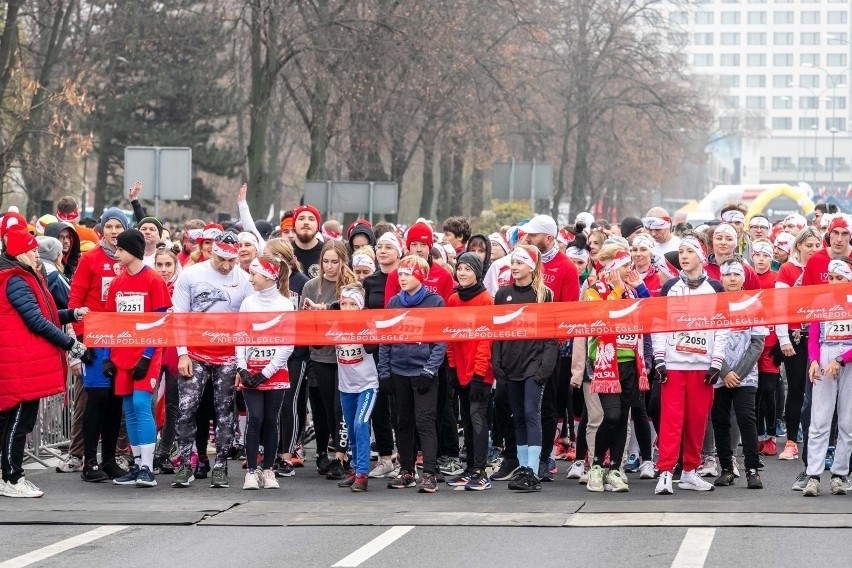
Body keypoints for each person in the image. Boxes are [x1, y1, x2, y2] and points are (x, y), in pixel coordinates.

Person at [0, 228, 87, 497]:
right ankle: (13, 478)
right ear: (21, 252)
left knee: (14, 421)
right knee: (19, 421)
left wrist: (72, 313)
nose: (37, 253)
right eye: (32, 249)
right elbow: (36, 321)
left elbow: (46, 314)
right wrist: (72, 344)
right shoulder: (16, 279)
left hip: (23, 362)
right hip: (20, 363)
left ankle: (9, 475)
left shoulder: (24, 276)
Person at [171, 230, 253, 488]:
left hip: (228, 355)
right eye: (222, 260)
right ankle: (186, 464)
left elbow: (249, 322)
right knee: (186, 409)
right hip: (195, 352)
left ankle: (220, 466)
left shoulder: (244, 279)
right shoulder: (191, 274)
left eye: (232, 260)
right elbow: (179, 316)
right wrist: (182, 353)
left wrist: (242, 362)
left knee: (224, 412)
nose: (227, 266)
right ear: (211, 252)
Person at [652, 232, 730, 495]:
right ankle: (664, 472)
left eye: (689, 252)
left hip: (702, 366)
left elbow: (722, 328)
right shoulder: (670, 287)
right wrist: (659, 359)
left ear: (700, 256)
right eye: (681, 253)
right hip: (674, 365)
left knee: (697, 421)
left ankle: (689, 472)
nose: (684, 257)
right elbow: (659, 323)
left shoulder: (716, 288)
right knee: (671, 421)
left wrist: (716, 362)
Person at [69, 207, 134, 482]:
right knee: (96, 399)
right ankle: (89, 462)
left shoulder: (130, 261)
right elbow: (75, 301)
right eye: (109, 227)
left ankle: (109, 459)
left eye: (119, 227)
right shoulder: (91, 259)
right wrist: (82, 340)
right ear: (102, 229)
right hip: (95, 339)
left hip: (122, 340)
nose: (114, 232)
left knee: (116, 401)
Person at [104, 230, 172, 488]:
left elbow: (162, 322)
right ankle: (136, 463)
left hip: (147, 355)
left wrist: (147, 355)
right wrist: (108, 356)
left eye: (120, 249)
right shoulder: (117, 283)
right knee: (129, 410)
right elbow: (110, 323)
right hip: (122, 356)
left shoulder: (154, 280)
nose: (116, 253)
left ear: (133, 250)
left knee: (142, 405)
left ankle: (147, 467)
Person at [583, 246, 652, 493]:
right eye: (625, 266)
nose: (630, 270)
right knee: (610, 416)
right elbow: (600, 320)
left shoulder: (632, 292)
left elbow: (651, 313)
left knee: (624, 417)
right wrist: (617, 292)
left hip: (630, 362)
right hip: (605, 361)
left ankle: (614, 468)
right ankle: (597, 465)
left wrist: (640, 286)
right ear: (612, 269)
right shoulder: (594, 292)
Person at [378, 255, 447, 493]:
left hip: (423, 373)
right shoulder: (395, 302)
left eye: (407, 274)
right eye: (400, 274)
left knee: (425, 422)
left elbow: (441, 340)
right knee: (403, 422)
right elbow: (385, 338)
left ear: (420, 275)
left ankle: (429, 473)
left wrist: (429, 370)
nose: (402, 278)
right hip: (398, 371)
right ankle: (406, 470)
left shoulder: (435, 301)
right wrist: (384, 372)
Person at [492, 245, 558, 492]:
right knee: (517, 416)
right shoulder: (502, 294)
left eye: (520, 263)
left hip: (534, 365)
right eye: (513, 263)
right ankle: (522, 467)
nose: (515, 267)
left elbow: (551, 336)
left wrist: (544, 369)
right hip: (510, 365)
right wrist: (497, 364)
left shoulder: (544, 294)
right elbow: (497, 332)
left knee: (531, 413)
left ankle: (533, 469)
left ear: (531, 266)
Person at [236, 254, 294, 490]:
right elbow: (240, 336)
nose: (250, 279)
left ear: (270, 275)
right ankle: (251, 470)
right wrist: (242, 367)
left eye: (254, 274)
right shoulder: (249, 303)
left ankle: (269, 470)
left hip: (275, 372)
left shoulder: (285, 305)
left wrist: (266, 373)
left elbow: (287, 345)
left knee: (271, 420)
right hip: (250, 371)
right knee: (255, 418)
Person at [302, 240, 358, 479]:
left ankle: (342, 455)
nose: (329, 266)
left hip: (345, 353)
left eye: (335, 261)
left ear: (343, 261)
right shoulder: (311, 286)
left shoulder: (350, 284)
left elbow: (353, 311)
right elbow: (304, 320)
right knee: (324, 407)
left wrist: (324, 309)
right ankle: (323, 452)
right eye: (325, 261)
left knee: (341, 407)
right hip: (321, 353)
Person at [710, 258, 766, 490]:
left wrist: (737, 374)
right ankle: (726, 468)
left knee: (746, 419)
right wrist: (724, 372)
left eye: (736, 274)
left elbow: (757, 343)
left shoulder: (754, 303)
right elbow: (709, 341)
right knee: (720, 421)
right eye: (728, 274)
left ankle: (752, 470)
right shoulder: (713, 305)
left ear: (743, 278)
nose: (732, 279)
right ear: (721, 278)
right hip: (718, 373)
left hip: (746, 376)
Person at [801, 258, 852, 496]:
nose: (833, 282)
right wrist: (813, 361)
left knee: (847, 422)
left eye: (839, 278)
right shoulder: (821, 300)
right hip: (825, 355)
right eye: (830, 277)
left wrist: (841, 359)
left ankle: (840, 474)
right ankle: (813, 474)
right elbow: (813, 336)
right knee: (819, 418)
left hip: (847, 358)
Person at [446, 252, 495, 491]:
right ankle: (469, 469)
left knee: (478, 420)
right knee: (465, 419)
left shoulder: (486, 299)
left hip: (480, 373)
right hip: (461, 371)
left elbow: (486, 340)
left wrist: (479, 373)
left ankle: (481, 470)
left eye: (468, 269)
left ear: (477, 272)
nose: (462, 273)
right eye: (460, 269)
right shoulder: (453, 300)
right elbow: (451, 338)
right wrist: (453, 368)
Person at [776, 227, 824, 461]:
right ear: (798, 247)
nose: (813, 250)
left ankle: (822, 441)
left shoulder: (827, 268)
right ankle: (792, 441)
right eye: (809, 245)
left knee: (820, 389)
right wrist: (783, 338)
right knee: (796, 389)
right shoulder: (787, 269)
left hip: (822, 336)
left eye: (817, 245)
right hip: (795, 337)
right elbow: (779, 306)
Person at [364, 231, 404, 479]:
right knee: (378, 404)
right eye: (379, 246)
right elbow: (365, 313)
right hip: (377, 348)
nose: (383, 251)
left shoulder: (405, 276)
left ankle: (404, 457)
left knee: (399, 405)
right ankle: (385, 456)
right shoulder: (370, 281)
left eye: (389, 246)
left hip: (401, 348)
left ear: (399, 251)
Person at [335, 283, 378, 493]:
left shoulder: (366, 324)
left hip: (367, 386)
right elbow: (316, 343)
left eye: (353, 304)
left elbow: (372, 347)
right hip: (346, 386)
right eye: (345, 304)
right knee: (351, 429)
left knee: (361, 424)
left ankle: (362, 473)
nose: (348, 308)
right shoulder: (335, 324)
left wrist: (360, 326)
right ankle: (354, 469)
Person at [751, 240, 782, 457]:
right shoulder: (747, 278)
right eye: (757, 255)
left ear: (771, 258)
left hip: (771, 342)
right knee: (755, 392)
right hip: (752, 341)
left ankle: (771, 436)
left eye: (765, 255)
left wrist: (783, 339)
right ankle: (758, 435)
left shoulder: (777, 279)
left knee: (769, 389)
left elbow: (784, 309)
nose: (761, 259)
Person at [291, 204, 323, 278]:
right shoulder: (284, 252)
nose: (306, 222)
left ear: (318, 226)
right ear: (294, 226)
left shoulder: (327, 252)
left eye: (311, 219)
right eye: (301, 219)